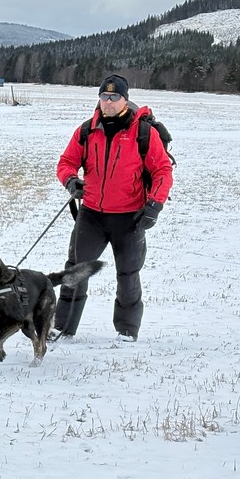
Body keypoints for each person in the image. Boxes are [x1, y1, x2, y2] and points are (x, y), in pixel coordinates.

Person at [53, 74, 173, 342]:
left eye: (114, 97)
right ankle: (61, 328)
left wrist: (155, 204)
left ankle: (127, 332)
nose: (108, 102)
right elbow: (66, 162)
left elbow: (162, 169)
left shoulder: (144, 133)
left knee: (128, 275)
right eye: (104, 96)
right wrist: (71, 180)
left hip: (130, 217)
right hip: (92, 215)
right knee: (75, 270)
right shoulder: (87, 130)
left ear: (124, 100)